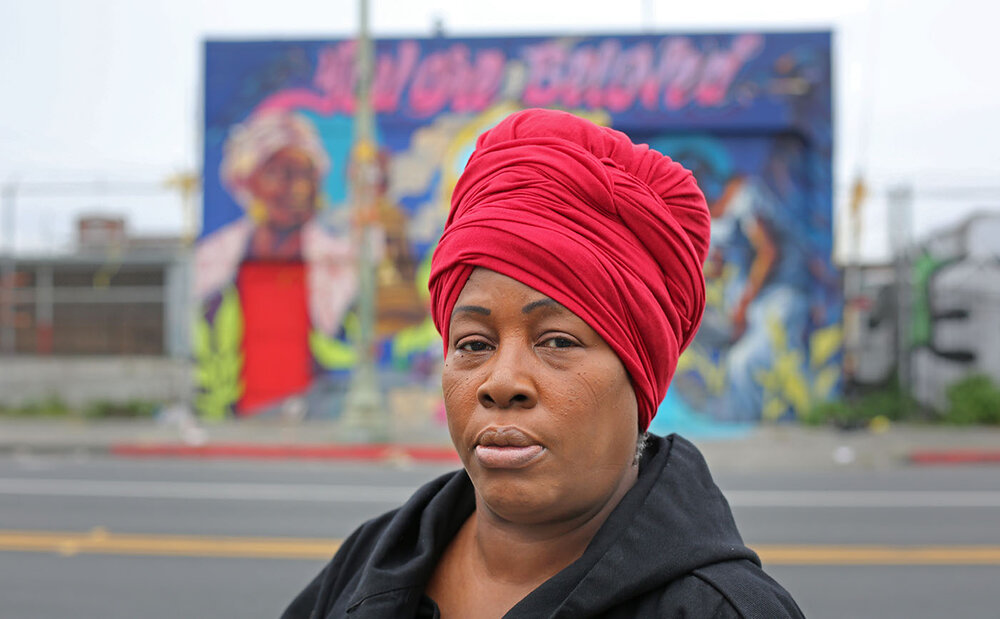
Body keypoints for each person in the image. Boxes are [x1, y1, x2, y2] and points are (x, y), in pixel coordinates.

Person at [281, 109, 803, 618]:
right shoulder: (369, 565)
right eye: (473, 344)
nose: (501, 383)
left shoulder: (720, 609)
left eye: (556, 341)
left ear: (639, 376)